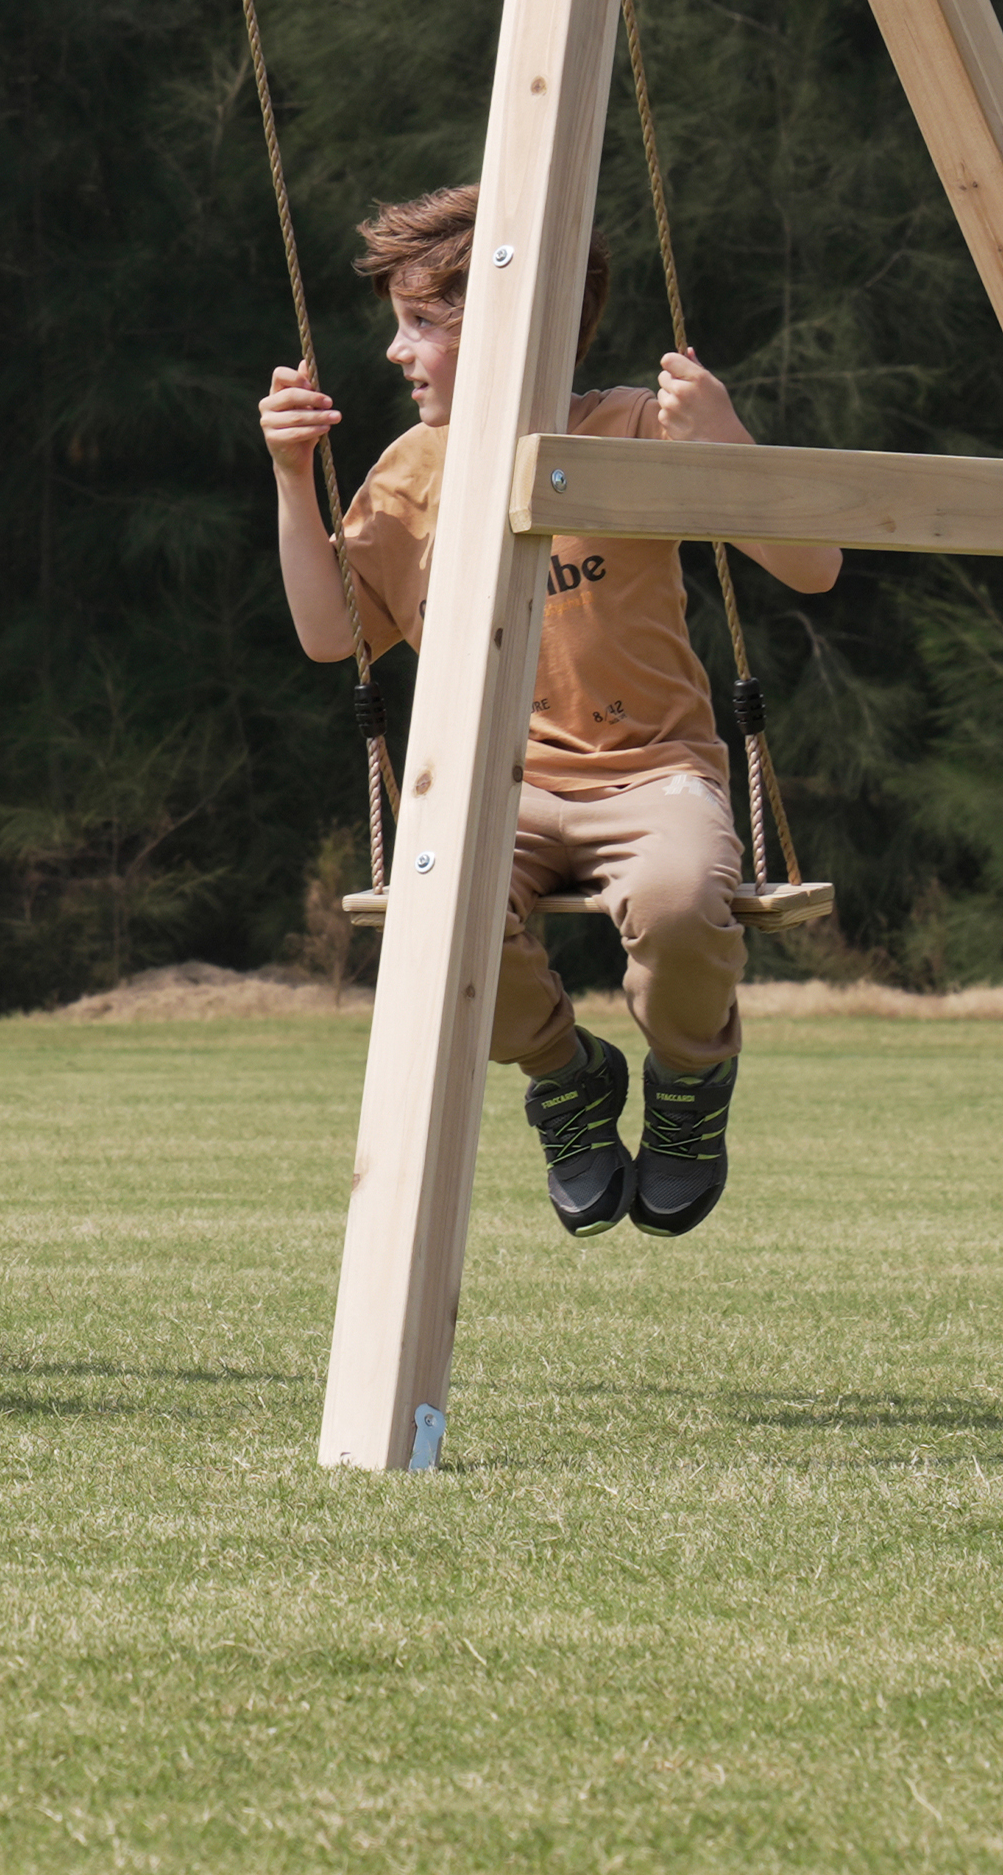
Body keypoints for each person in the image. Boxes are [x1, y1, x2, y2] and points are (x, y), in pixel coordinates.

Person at [257, 186, 837, 1240]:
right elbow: (328, 636)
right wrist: (293, 479)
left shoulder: (626, 432)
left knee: (673, 901)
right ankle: (565, 1076)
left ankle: (688, 1083)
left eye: (422, 323)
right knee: (435, 927)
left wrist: (725, 441)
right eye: (399, 322)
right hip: (494, 790)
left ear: (514, 326)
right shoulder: (406, 474)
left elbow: (812, 562)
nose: (395, 350)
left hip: (650, 775)